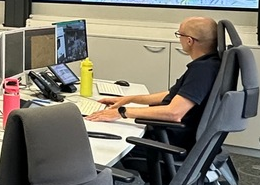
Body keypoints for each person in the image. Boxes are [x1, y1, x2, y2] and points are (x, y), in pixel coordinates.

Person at [86, 16, 220, 151]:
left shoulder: (202, 70)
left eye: (180, 34)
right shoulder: (210, 64)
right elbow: (173, 95)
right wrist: (128, 99)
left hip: (168, 140)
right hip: (168, 133)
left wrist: (122, 112)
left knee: (99, 140)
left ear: (189, 41)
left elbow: (174, 113)